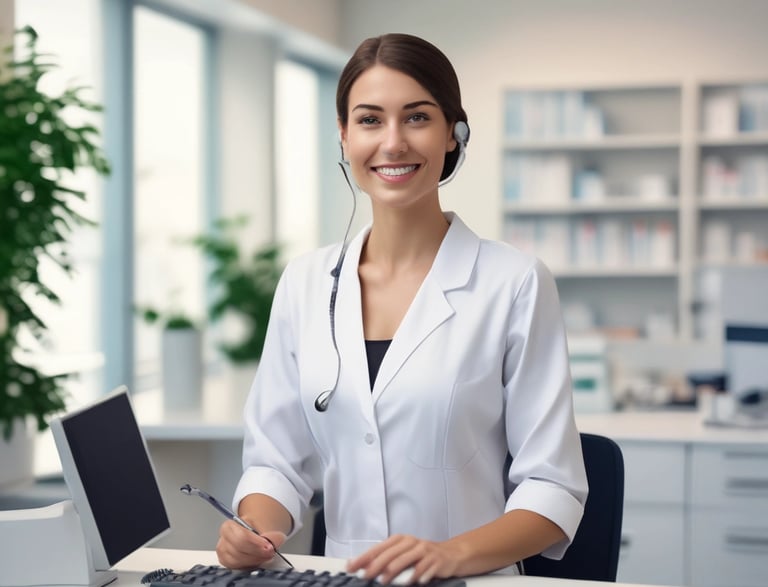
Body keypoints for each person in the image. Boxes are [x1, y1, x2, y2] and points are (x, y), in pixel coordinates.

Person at [216, 33, 588, 584]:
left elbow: (553, 485)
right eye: (369, 120)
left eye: (417, 118)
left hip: (472, 579)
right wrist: (256, 529)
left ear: (453, 134)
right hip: (343, 577)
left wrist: (450, 555)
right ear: (343, 135)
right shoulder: (306, 283)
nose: (393, 143)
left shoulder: (514, 283)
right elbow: (275, 463)